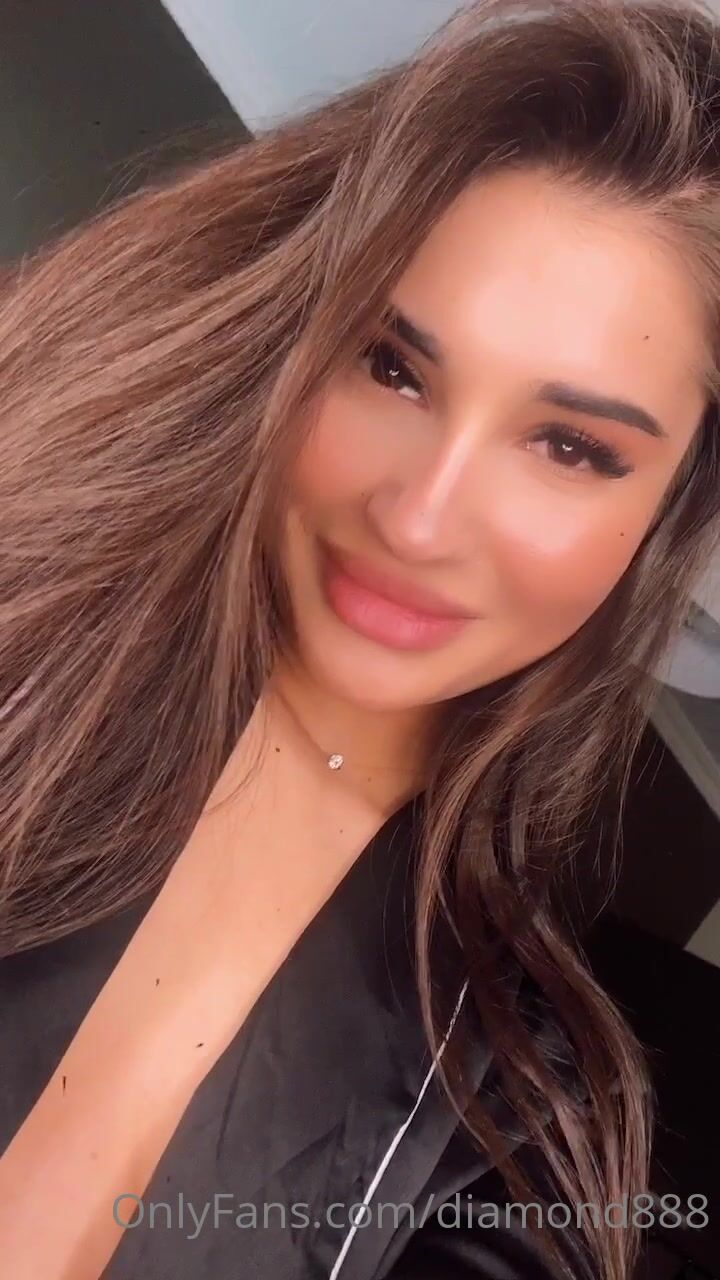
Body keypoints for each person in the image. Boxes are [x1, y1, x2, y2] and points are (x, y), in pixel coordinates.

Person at [1, 0, 718, 1276]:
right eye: (394, 368)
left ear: (668, 515)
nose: (418, 515)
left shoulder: (516, 1131)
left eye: (569, 445)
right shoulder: (30, 660)